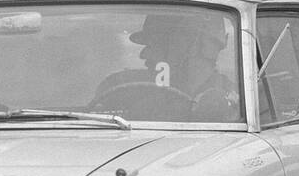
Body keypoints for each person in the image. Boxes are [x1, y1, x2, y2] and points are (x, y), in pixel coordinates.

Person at [92, 11, 240, 120]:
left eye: (157, 43)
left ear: (192, 45)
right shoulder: (121, 89)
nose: (143, 54)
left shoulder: (236, 102)